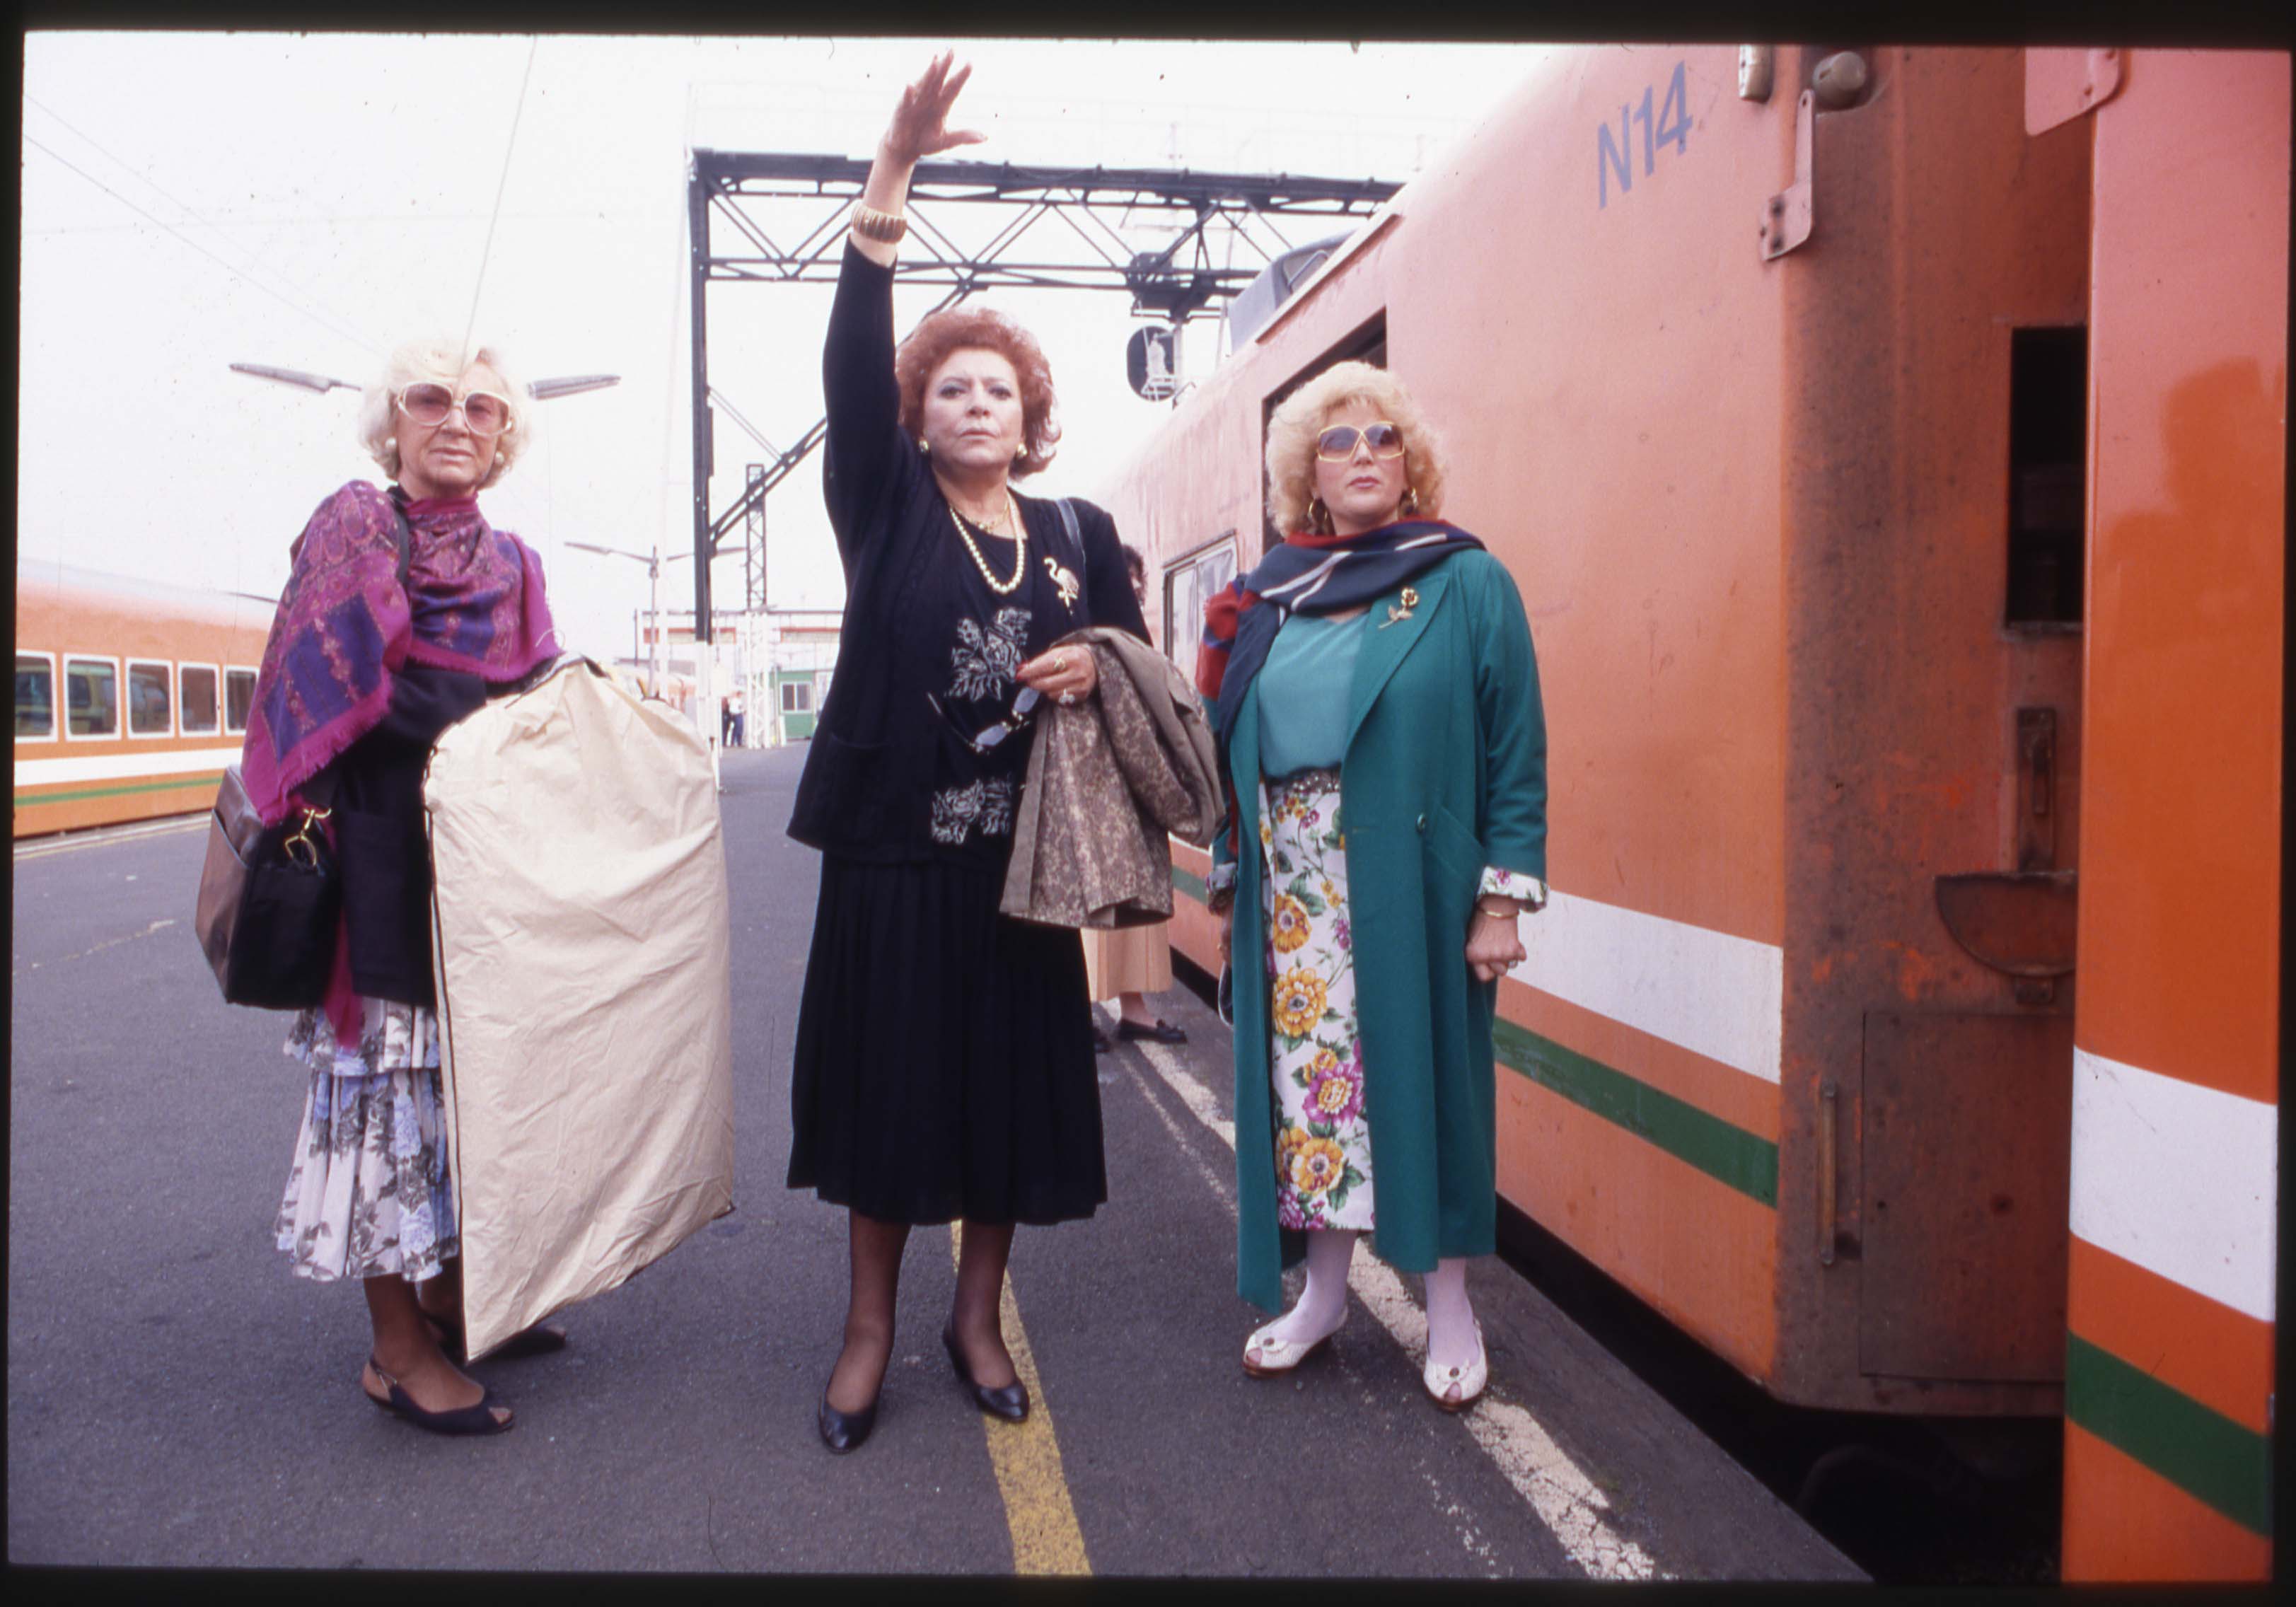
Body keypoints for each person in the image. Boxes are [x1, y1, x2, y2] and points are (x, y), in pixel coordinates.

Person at [784, 51, 1149, 1454]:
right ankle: (870, 1327)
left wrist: (1095, 661)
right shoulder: (879, 506)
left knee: (1000, 1101)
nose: (979, 405)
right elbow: (853, 337)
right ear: (917, 414)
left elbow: (1139, 676)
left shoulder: (1075, 535)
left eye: (1000, 391)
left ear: (1028, 414)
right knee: (890, 1100)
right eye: (954, 390)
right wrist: (892, 177)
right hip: (894, 858)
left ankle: (975, 1317)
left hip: (1024, 869)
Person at [1199, 360, 1546, 1411]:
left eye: (1381, 439)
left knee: (1427, 1085)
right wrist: (1229, 876)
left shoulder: (1463, 580)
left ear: (1410, 465)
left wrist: (1499, 901)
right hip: (1293, 887)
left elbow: (1514, 748)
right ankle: (1323, 1298)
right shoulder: (1263, 599)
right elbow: (1227, 751)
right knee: (1314, 1103)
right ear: (1306, 473)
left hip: (1411, 878)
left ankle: (1450, 1307)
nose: (1361, 457)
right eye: (1337, 442)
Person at [249, 337, 565, 1435]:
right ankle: (393, 1351)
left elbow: (538, 709)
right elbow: (346, 689)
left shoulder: (517, 564)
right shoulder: (355, 524)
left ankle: (444, 1293)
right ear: (391, 421)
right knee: (389, 1103)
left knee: (473, 1096)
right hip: (375, 871)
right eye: (430, 398)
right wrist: (491, 720)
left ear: (504, 435)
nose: (458, 420)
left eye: (483, 407)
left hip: (477, 872)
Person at [1084, 545, 1188, 1052]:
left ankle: (1134, 1009)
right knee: (1084, 898)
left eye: (1132, 580)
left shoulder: (1133, 638)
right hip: (1086, 785)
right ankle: (1076, 1008)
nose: (1126, 588)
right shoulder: (1079, 635)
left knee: (1136, 901)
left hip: (1134, 784)